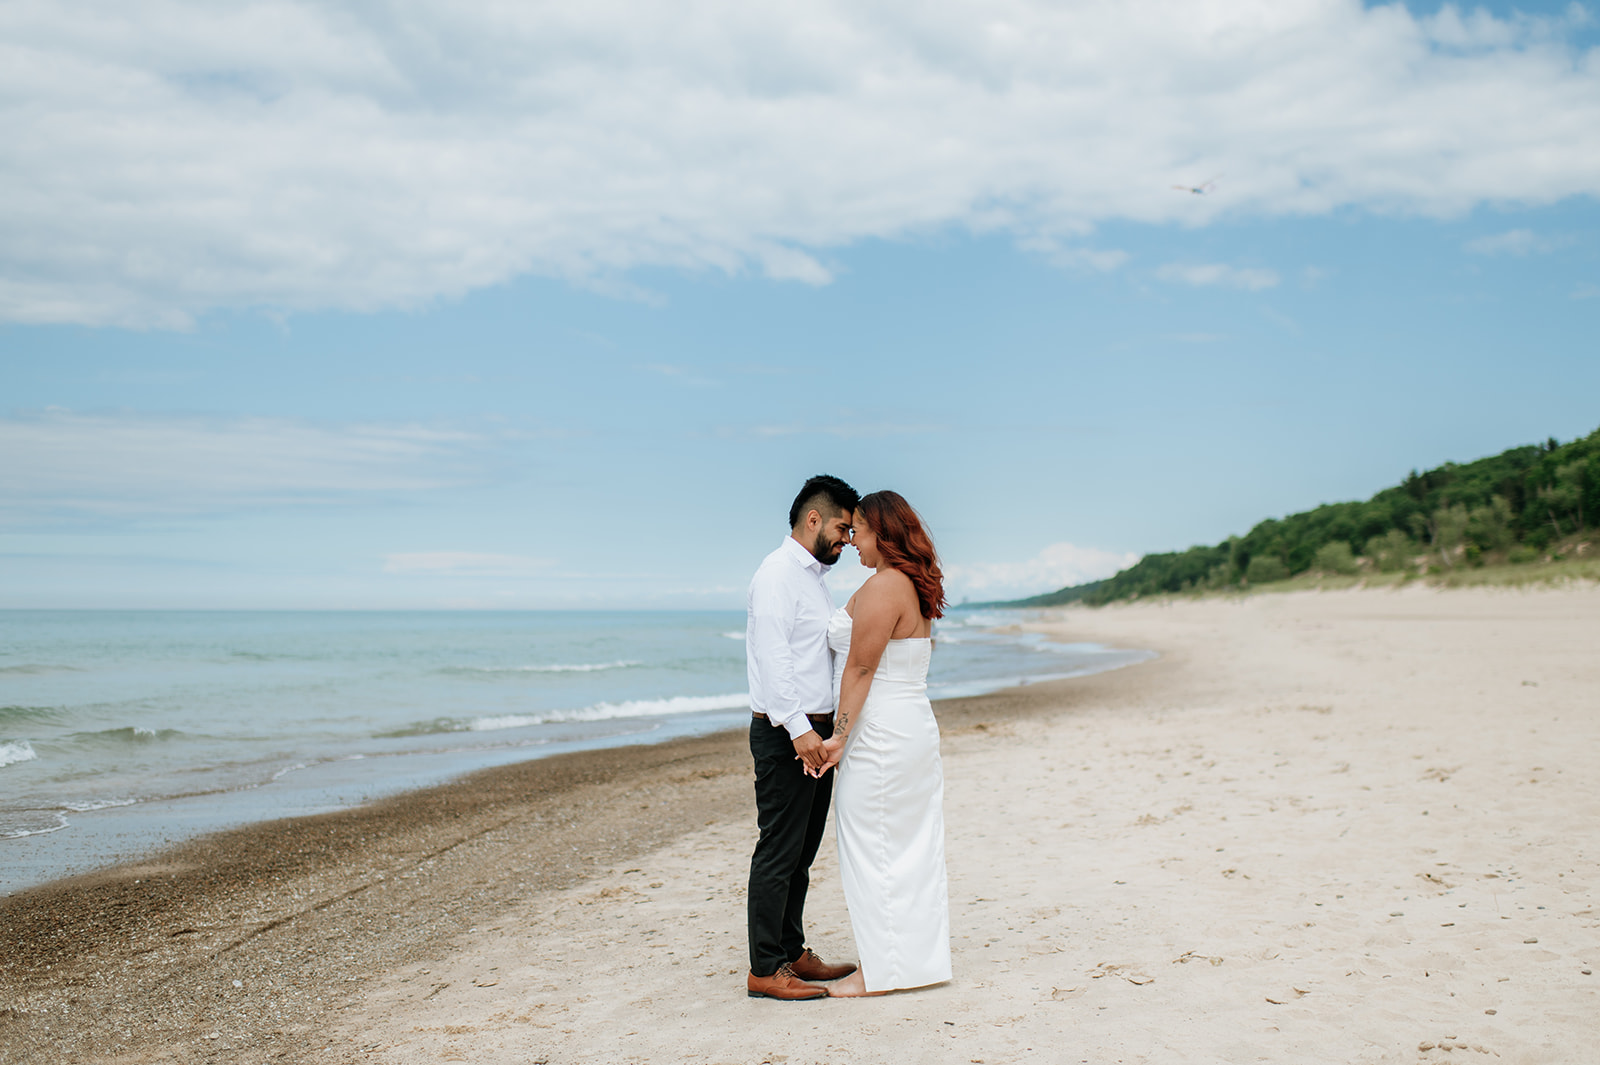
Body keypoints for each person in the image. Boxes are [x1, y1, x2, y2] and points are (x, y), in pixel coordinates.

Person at [814, 490, 951, 997]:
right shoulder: (913, 585)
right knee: (911, 847)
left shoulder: (883, 587)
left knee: (873, 848)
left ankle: (882, 972)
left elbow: (862, 668)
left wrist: (839, 738)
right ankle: (914, 964)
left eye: (859, 531)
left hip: (882, 732)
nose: (852, 541)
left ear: (882, 533)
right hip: (910, 723)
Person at [744, 474, 862, 1000]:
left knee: (802, 852)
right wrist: (799, 733)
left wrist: (829, 729)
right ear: (813, 519)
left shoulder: (815, 577)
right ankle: (765, 968)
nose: (848, 538)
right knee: (778, 850)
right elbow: (775, 663)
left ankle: (791, 952)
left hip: (813, 731)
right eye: (842, 527)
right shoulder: (777, 575)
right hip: (785, 732)